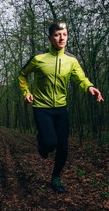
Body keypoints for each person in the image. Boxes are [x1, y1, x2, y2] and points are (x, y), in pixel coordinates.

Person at [18, 20, 104, 193]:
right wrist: (26, 92)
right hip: (41, 107)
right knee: (50, 143)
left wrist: (89, 87)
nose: (61, 38)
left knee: (63, 147)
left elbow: (81, 78)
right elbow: (22, 74)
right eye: (57, 35)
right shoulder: (38, 58)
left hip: (61, 108)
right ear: (50, 38)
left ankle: (56, 177)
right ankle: (42, 142)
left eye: (64, 34)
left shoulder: (71, 60)